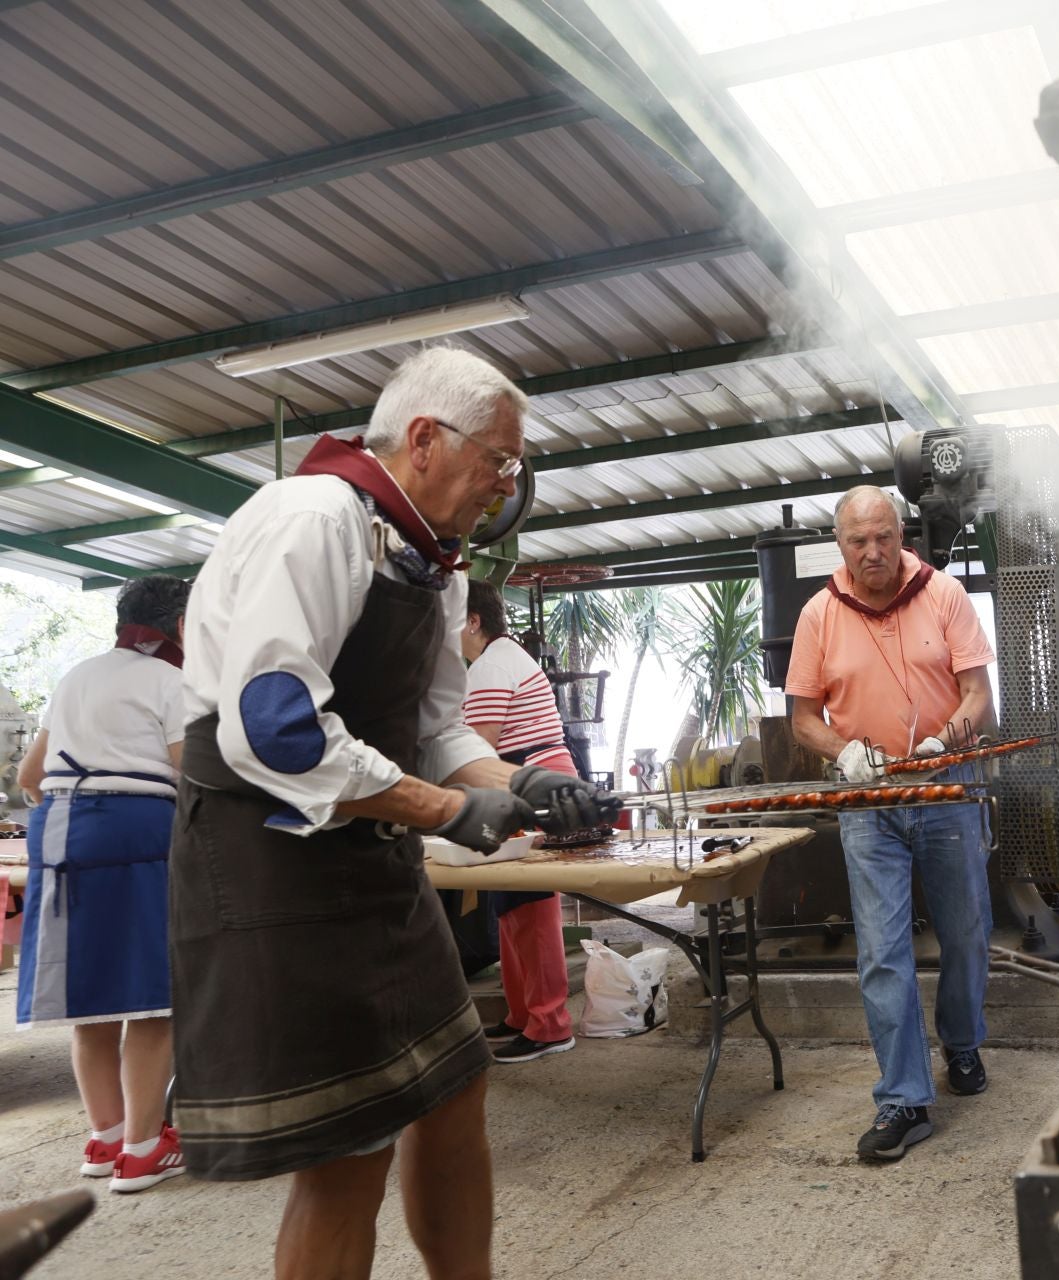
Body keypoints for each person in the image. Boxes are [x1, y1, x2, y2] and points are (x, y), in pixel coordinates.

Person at [169, 346, 618, 1280]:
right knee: (351, 1152)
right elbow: (276, 729)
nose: (506, 484)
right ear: (423, 439)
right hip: (273, 861)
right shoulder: (315, 520)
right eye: (498, 459)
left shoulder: (434, 566)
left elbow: (436, 725)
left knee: (453, 1087)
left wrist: (524, 781)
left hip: (374, 858)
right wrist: (448, 810)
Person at [784, 486, 996, 1162]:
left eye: (883, 537)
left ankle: (961, 1043)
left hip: (946, 790)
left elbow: (978, 696)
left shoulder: (944, 595)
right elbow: (802, 718)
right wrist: (841, 750)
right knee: (881, 951)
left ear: (901, 534)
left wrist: (947, 738)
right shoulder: (819, 614)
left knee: (965, 932)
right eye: (857, 541)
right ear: (840, 544)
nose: (873, 552)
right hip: (869, 806)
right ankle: (904, 1098)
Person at [14, 575, 193, 1194]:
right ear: (179, 627)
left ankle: (106, 1139)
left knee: (89, 1001)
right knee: (152, 998)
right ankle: (144, 1150)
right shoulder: (172, 680)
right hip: (138, 828)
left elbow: (30, 775)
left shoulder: (75, 677)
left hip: (60, 832)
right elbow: (188, 770)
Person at [459, 578, 576, 1064]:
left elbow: (477, 749)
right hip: (525, 780)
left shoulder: (491, 666)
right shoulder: (499, 659)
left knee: (530, 905)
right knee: (509, 905)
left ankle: (550, 1024)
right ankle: (523, 1013)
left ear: (472, 620)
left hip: (529, 781)